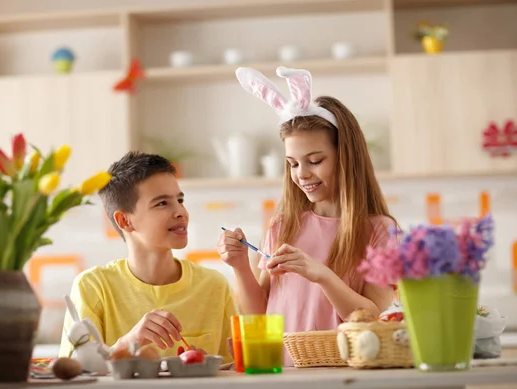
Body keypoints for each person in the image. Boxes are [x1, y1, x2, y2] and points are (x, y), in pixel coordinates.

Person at [218, 66, 397, 370]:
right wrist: (239, 268)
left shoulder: (379, 230)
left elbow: (370, 317)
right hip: (287, 381)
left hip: (349, 383)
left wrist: (321, 274)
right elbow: (259, 315)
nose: (302, 174)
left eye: (315, 161)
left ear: (346, 156)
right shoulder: (283, 225)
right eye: (293, 164)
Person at [59, 151, 236, 361]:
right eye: (162, 203)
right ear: (124, 221)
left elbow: (234, 373)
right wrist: (129, 342)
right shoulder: (93, 287)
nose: (181, 212)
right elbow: (75, 373)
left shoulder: (214, 286)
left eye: (180, 200)